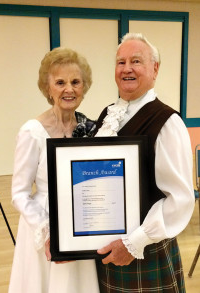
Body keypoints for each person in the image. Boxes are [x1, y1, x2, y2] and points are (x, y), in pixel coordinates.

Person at [94, 32, 195, 292]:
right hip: (107, 247)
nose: (127, 68)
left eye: (136, 61)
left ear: (155, 69)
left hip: (144, 251)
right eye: (120, 62)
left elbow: (180, 200)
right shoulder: (107, 115)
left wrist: (133, 243)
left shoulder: (168, 122)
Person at [8, 47, 100, 293]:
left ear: (84, 87)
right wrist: (48, 232)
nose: (68, 89)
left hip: (82, 222)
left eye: (75, 82)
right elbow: (19, 193)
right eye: (60, 82)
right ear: (47, 88)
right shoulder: (32, 131)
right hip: (43, 223)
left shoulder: (91, 129)